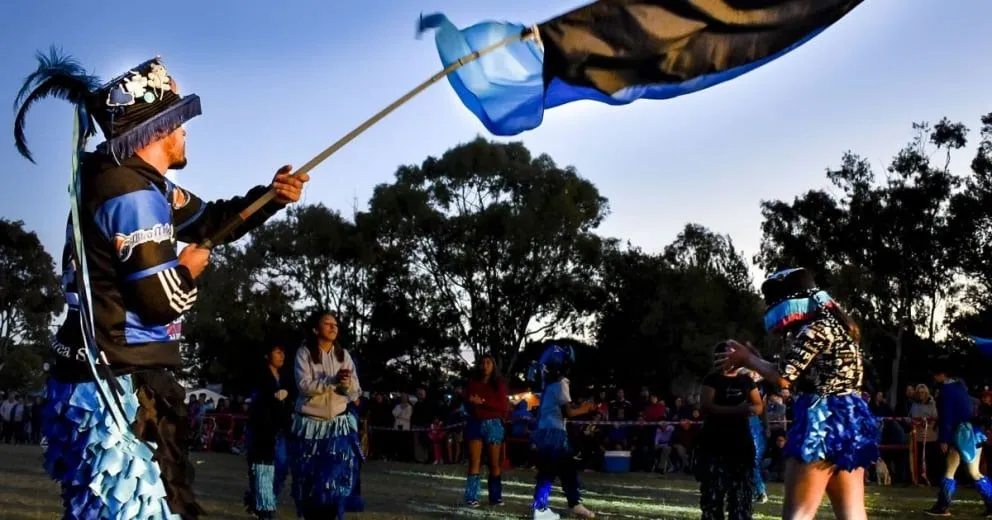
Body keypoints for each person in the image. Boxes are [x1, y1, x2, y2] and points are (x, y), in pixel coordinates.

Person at [14, 51, 308, 519]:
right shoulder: (132, 192)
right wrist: (188, 268)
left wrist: (271, 197)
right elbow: (158, 301)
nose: (185, 129)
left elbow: (211, 219)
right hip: (121, 385)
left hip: (96, 376)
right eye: (178, 119)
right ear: (155, 129)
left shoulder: (134, 183)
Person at [717, 267, 880, 520]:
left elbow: (784, 376)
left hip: (821, 422)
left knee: (798, 515)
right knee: (852, 514)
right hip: (849, 421)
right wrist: (756, 360)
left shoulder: (814, 328)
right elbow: (791, 372)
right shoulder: (839, 327)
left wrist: (747, 359)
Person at [290, 312, 363, 519]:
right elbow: (304, 386)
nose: (333, 327)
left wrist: (347, 384)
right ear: (315, 329)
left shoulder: (343, 355)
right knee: (309, 480)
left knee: (336, 480)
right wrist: (331, 380)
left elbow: (355, 391)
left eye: (336, 324)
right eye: (327, 323)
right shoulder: (304, 353)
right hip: (310, 427)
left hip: (337, 427)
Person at [529, 344, 597, 520]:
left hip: (546, 432)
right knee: (550, 471)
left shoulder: (549, 387)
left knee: (565, 470)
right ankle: (541, 510)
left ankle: (574, 504)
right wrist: (586, 408)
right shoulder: (561, 384)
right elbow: (569, 412)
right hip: (555, 434)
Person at [697, 343, 763, 520]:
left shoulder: (746, 381)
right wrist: (737, 410)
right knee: (713, 492)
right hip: (714, 441)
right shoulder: (711, 379)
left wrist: (752, 409)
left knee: (741, 494)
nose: (733, 359)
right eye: (728, 355)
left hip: (741, 442)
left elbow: (758, 405)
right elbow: (706, 406)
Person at [925, 358, 992, 516]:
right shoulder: (961, 387)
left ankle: (943, 506)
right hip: (970, 433)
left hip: (961, 435)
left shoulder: (946, 391)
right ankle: (943, 506)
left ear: (941, 374)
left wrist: (944, 439)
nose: (934, 378)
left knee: (968, 472)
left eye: (935, 375)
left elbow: (947, 417)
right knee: (963, 471)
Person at [244, 343, 294, 519]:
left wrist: (286, 394)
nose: (282, 356)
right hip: (261, 431)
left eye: (283, 352)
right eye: (277, 352)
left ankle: (258, 500)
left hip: (281, 430)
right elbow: (257, 402)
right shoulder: (259, 377)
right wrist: (272, 396)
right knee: (263, 470)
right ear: (267, 355)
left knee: (281, 470)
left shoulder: (285, 377)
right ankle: (264, 509)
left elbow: (291, 397)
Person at [463, 354, 509, 507]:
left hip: (493, 424)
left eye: (488, 362)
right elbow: (466, 401)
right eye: (482, 363)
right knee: (474, 462)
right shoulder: (473, 383)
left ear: (493, 365)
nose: (485, 365)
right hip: (475, 423)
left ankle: (495, 497)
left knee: (494, 463)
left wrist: (482, 402)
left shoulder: (498, 384)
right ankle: (472, 496)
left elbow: (502, 406)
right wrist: (470, 403)